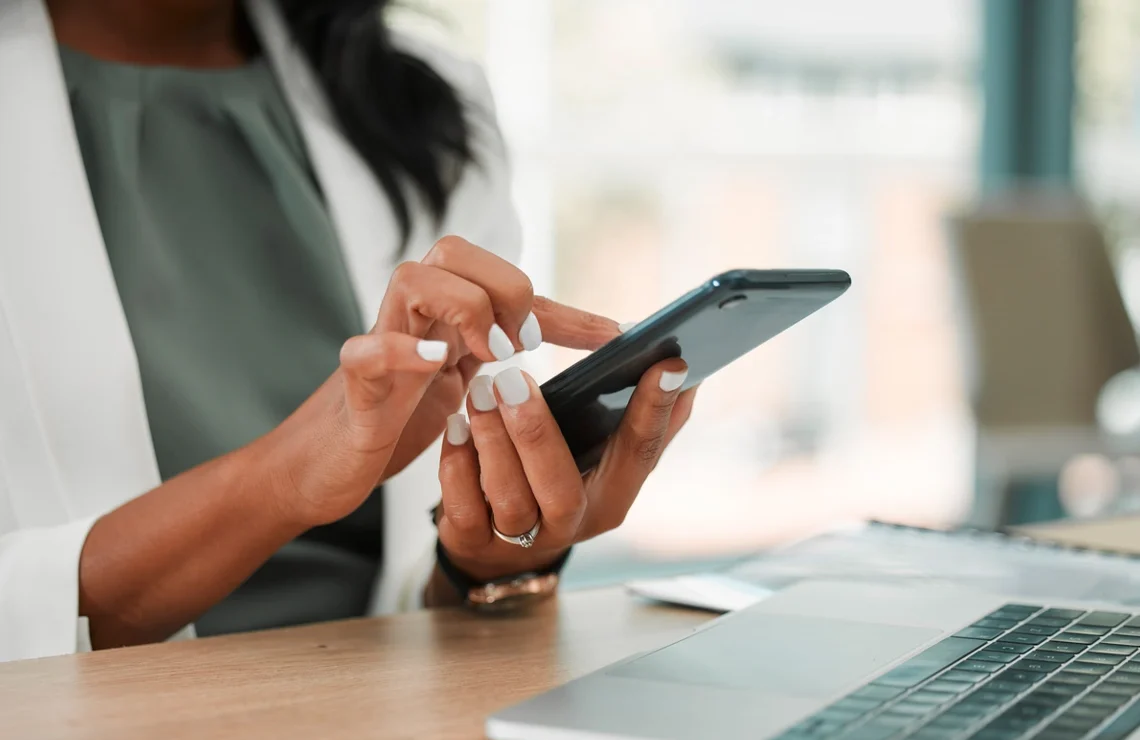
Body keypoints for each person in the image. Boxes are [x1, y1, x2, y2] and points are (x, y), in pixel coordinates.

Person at [0, 0, 696, 661]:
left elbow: (423, 605)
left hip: (370, 719)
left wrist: (489, 558)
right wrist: (283, 479)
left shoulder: (428, 102)